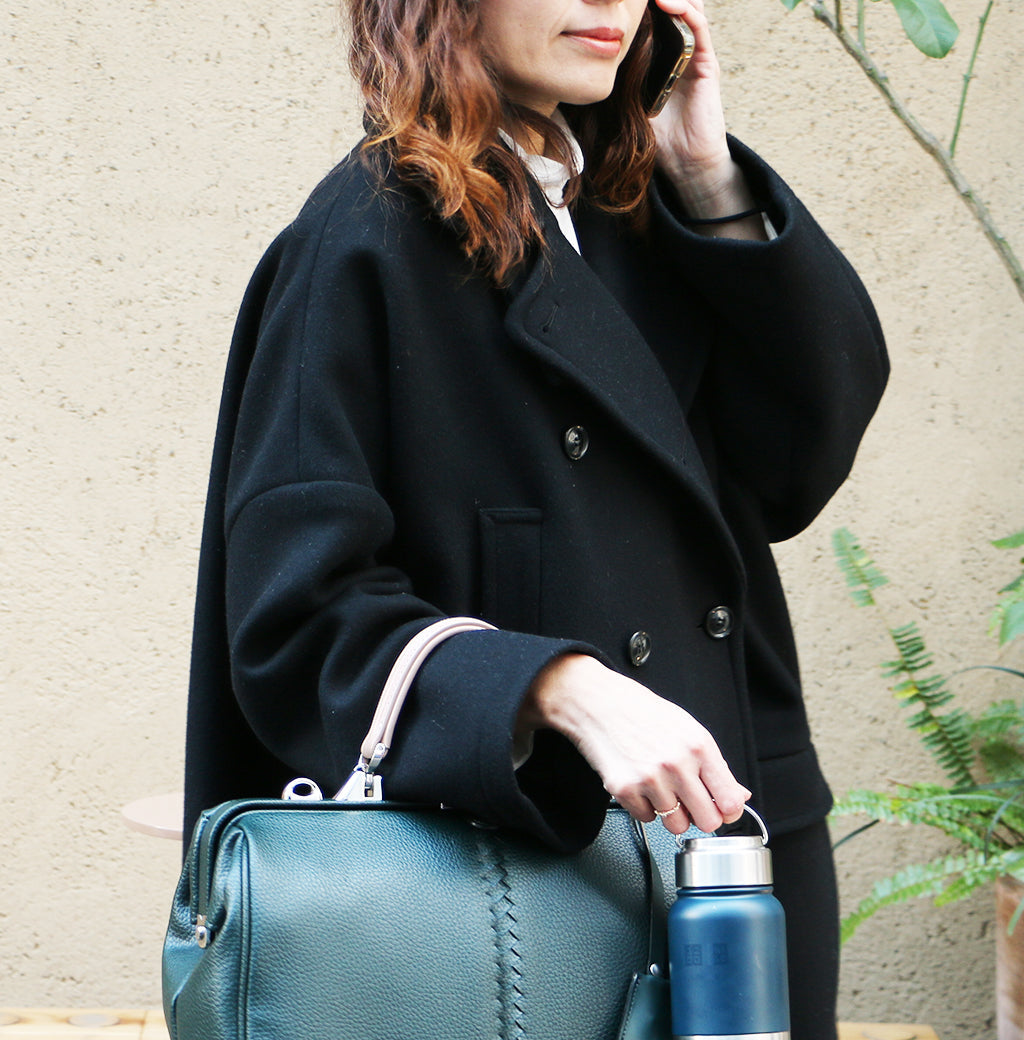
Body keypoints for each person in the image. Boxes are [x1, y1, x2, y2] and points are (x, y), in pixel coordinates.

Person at [183, 0, 889, 1036]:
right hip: (512, 898)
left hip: (731, 854)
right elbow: (299, 615)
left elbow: (798, 459)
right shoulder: (365, 238)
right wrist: (558, 688)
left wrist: (706, 177)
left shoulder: (637, 213)